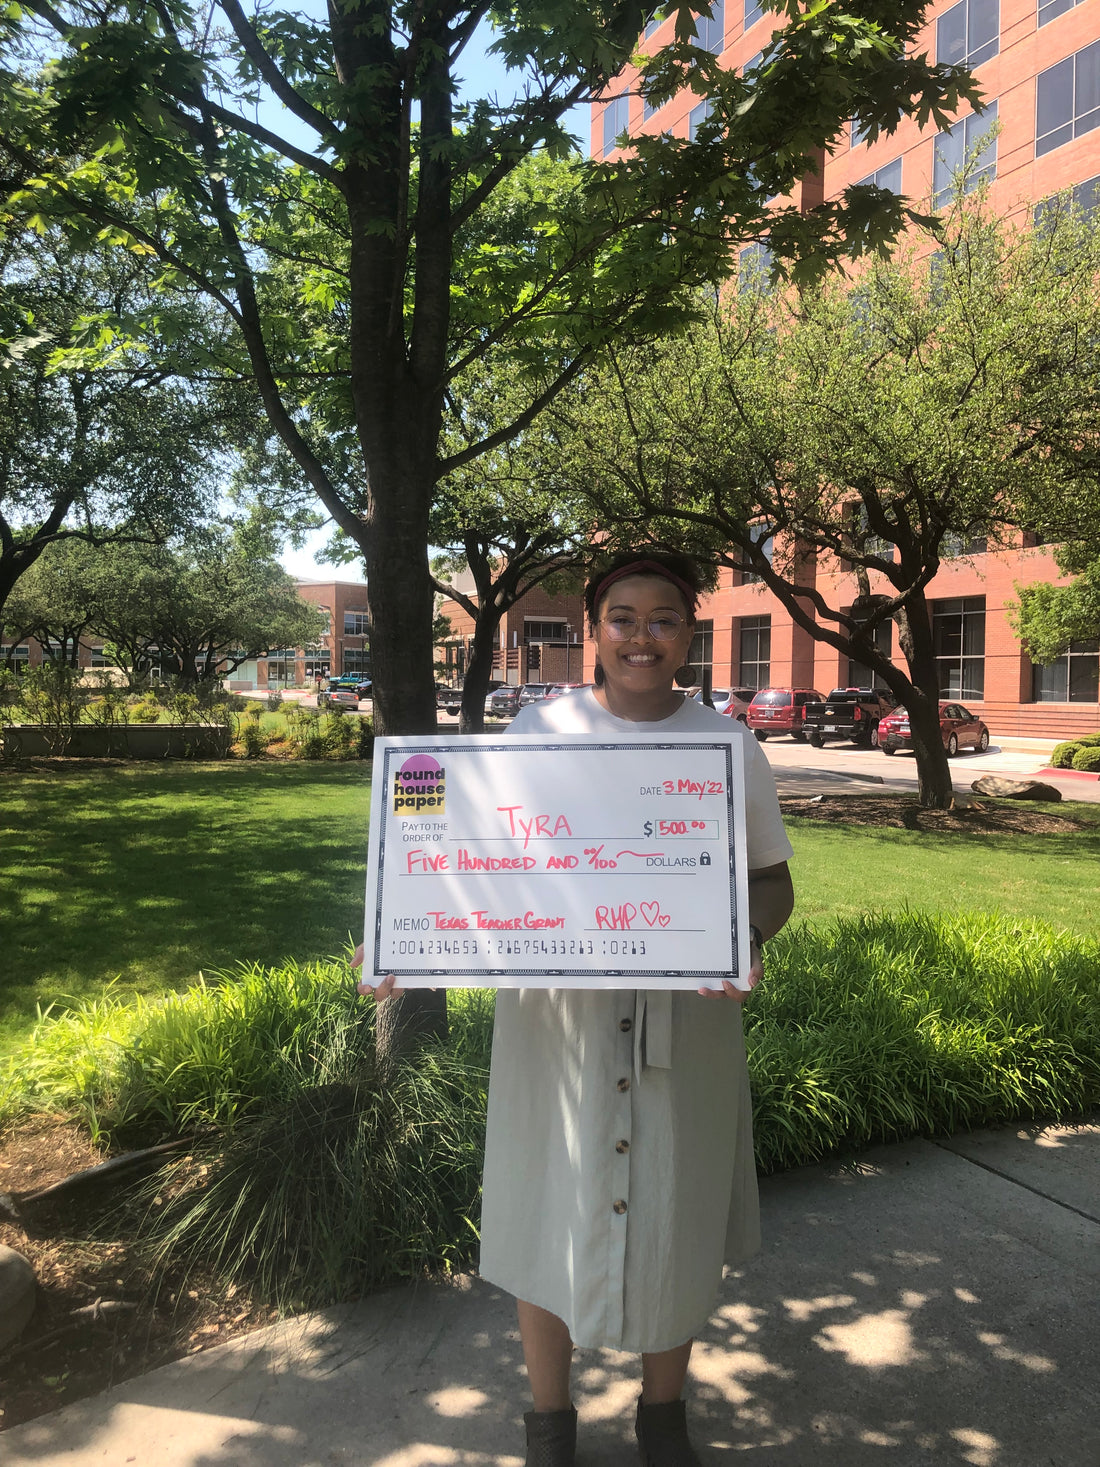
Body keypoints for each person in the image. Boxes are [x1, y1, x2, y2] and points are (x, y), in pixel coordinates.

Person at [358, 551, 794, 1467]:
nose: (643, 636)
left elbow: (771, 882)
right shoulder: (535, 731)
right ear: (594, 627)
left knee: (675, 1219)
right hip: (555, 1026)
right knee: (546, 1207)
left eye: (664, 617)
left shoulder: (727, 743)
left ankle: (663, 1415)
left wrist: (747, 939)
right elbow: (455, 854)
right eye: (623, 616)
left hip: (690, 1022)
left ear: (688, 632)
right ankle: (549, 1420)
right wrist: (402, 935)